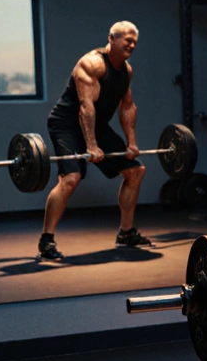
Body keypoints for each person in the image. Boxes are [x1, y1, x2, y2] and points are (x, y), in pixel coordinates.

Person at [38, 21, 151, 261]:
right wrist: (91, 145)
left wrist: (132, 143)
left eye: (134, 42)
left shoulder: (126, 71)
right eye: (127, 40)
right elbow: (85, 106)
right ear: (112, 38)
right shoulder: (91, 64)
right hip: (66, 124)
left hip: (96, 125)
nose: (132, 45)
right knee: (71, 179)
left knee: (135, 171)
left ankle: (126, 232)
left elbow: (128, 106)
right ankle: (46, 240)